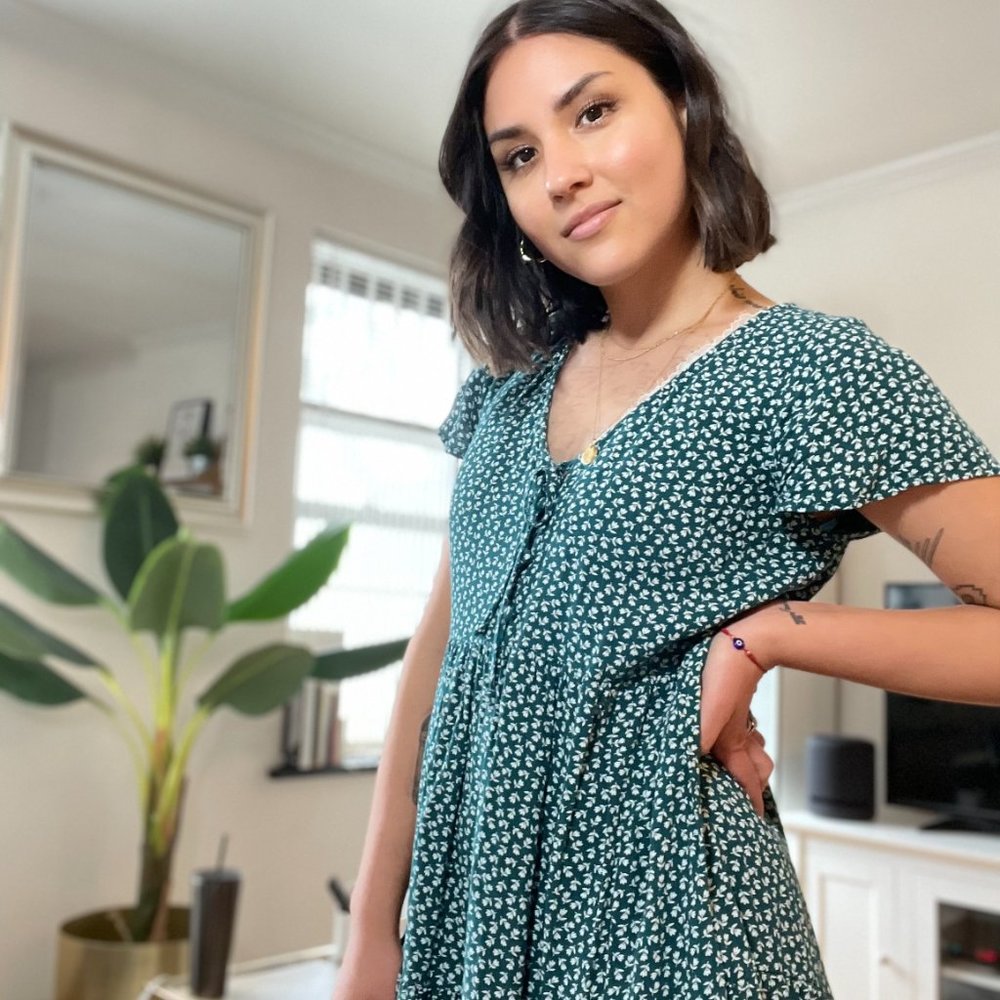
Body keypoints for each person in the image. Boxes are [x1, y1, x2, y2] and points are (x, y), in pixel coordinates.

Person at [333, 1, 1000, 997]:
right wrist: (370, 945)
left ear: (685, 112)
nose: (558, 173)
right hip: (464, 925)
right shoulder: (502, 396)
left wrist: (772, 632)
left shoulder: (809, 371)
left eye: (591, 113)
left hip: (670, 923)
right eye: (517, 156)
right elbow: (433, 675)